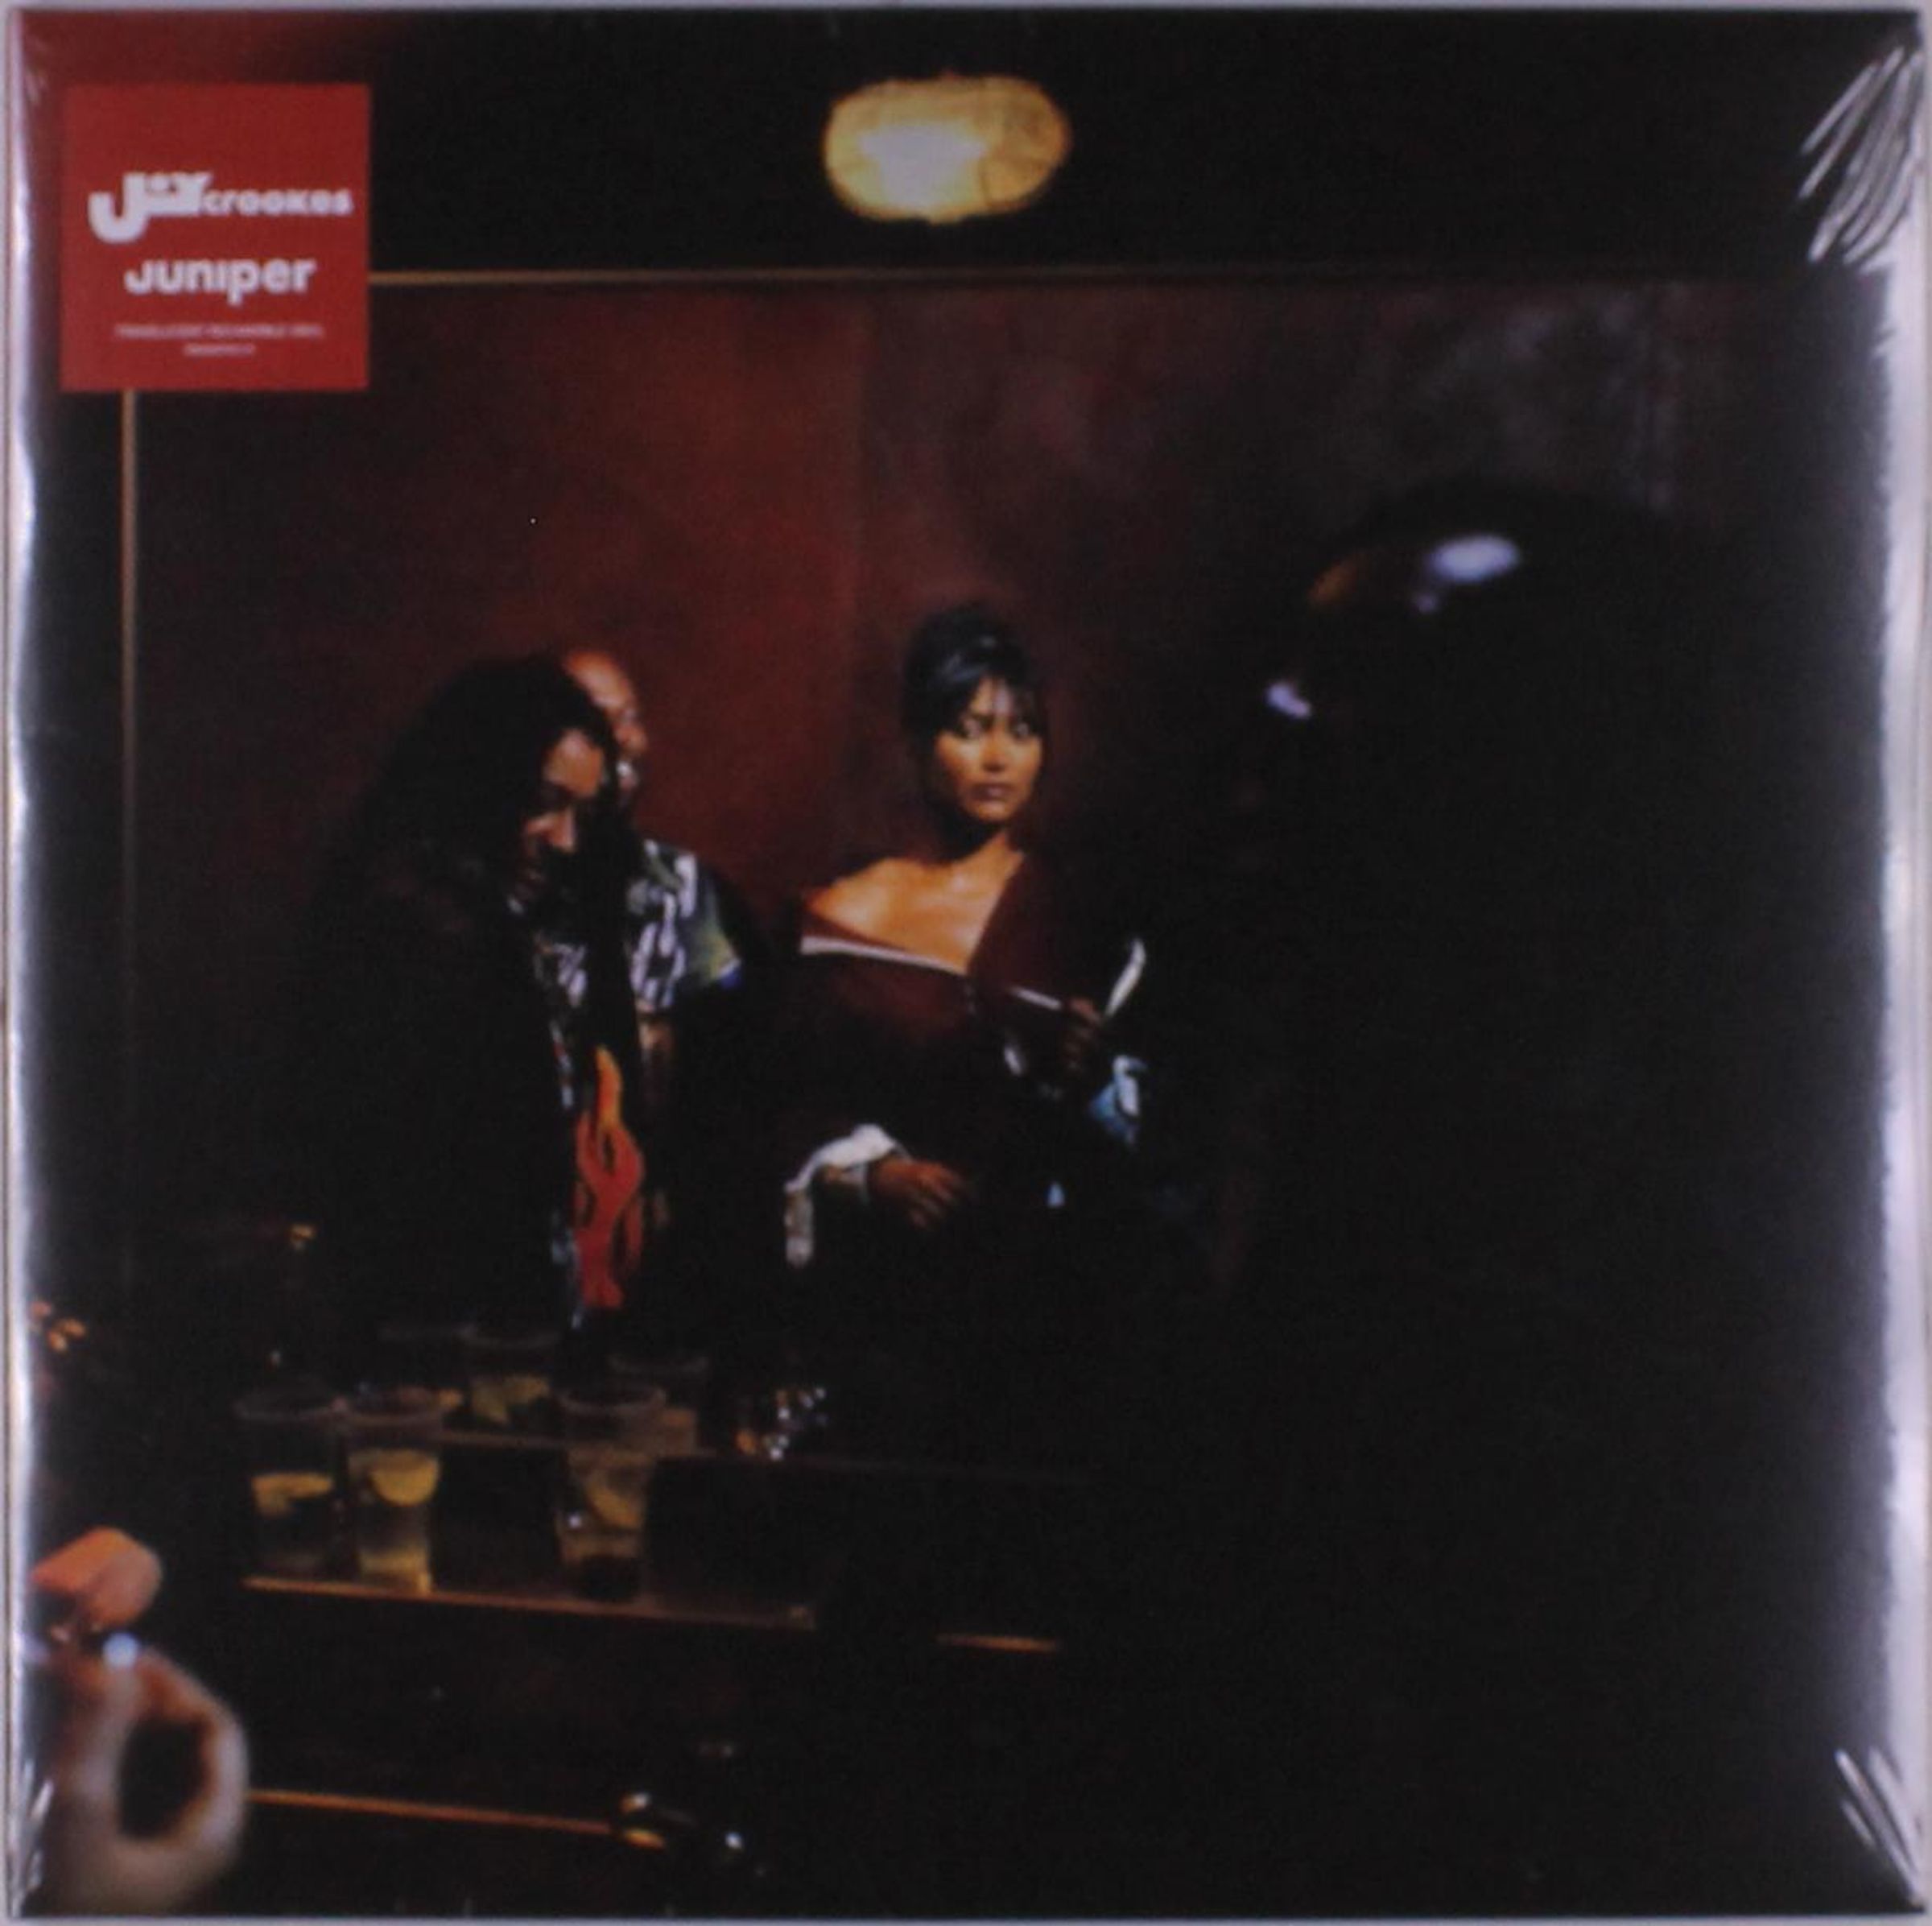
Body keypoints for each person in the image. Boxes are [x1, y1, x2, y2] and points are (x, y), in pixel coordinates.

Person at [776, 605, 1154, 1462]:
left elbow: (1165, 1137)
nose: (998, 758)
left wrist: (1096, 1077)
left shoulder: (1080, 915)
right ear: (918, 741)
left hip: (1043, 1306)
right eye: (970, 728)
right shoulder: (839, 916)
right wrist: (871, 1176)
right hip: (882, 1311)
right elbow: (780, 1102)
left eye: (1021, 731)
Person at [297, 657, 638, 1354]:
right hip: (435, 1328)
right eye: (544, 802)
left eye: (582, 812)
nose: (567, 840)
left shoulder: (494, 911)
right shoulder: (418, 926)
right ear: (481, 782)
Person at [559, 649, 770, 1357]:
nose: (623, 740)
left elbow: (747, 1086)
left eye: (631, 718)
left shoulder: (689, 894)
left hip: (667, 1267)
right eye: (594, 720)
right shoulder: (503, 892)